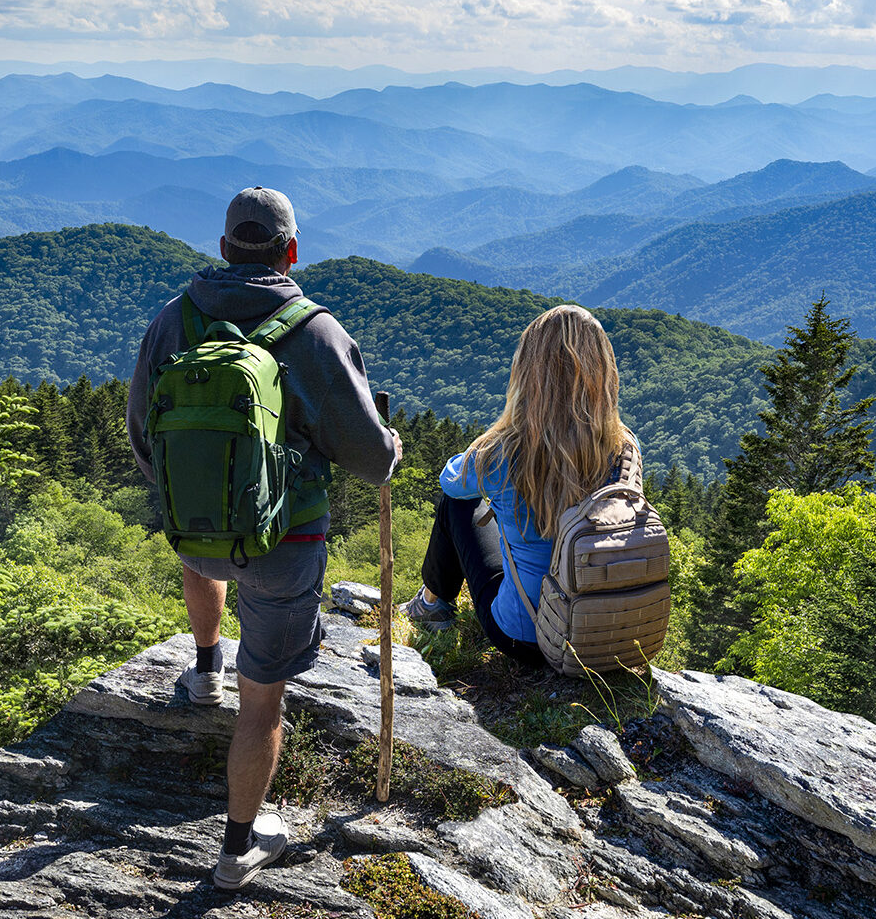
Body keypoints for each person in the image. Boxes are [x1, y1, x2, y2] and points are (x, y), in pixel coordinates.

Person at [126, 185, 398, 890]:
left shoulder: (173, 321)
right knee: (265, 701)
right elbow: (371, 461)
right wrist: (392, 444)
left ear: (222, 248)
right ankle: (238, 848)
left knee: (204, 552)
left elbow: (141, 435)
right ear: (292, 251)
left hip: (193, 533)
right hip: (286, 545)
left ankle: (204, 667)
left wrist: (193, 489)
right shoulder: (315, 333)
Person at [400, 304, 631, 668]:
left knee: (457, 505)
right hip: (604, 634)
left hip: (525, 635)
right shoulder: (623, 448)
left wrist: (497, 434)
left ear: (528, 373)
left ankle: (431, 605)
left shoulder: (507, 450)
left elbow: (452, 482)